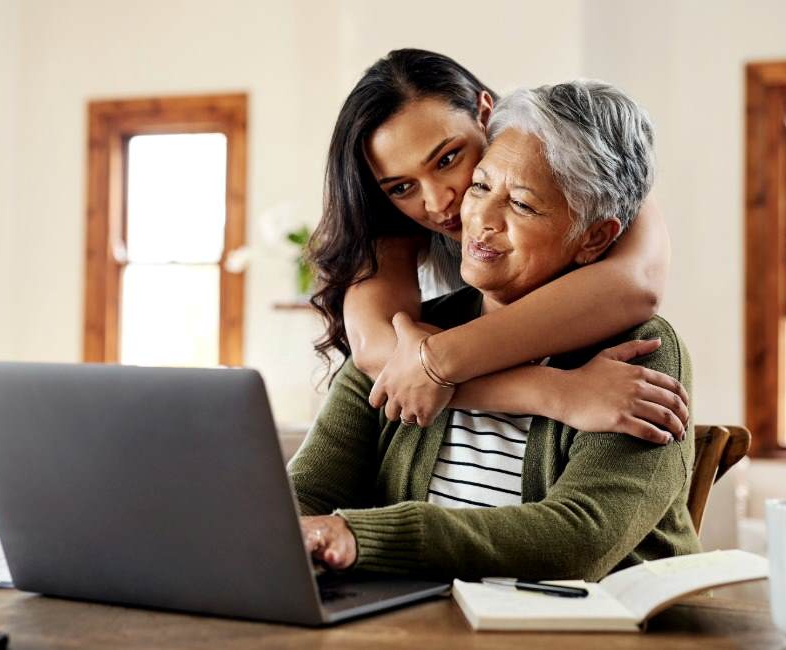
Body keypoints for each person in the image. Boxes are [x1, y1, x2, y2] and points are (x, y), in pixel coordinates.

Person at [290, 81, 701, 580]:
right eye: (481, 187)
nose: (476, 218)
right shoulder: (410, 338)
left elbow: (578, 540)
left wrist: (364, 536)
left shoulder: (645, 351)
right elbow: (306, 491)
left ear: (594, 238)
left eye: (523, 205)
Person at [309, 49, 688, 443]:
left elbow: (635, 284)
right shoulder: (391, 226)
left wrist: (438, 361)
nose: (439, 203)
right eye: (403, 187)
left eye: (447, 159)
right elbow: (378, 352)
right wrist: (553, 392)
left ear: (485, 114)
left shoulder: (580, 163)